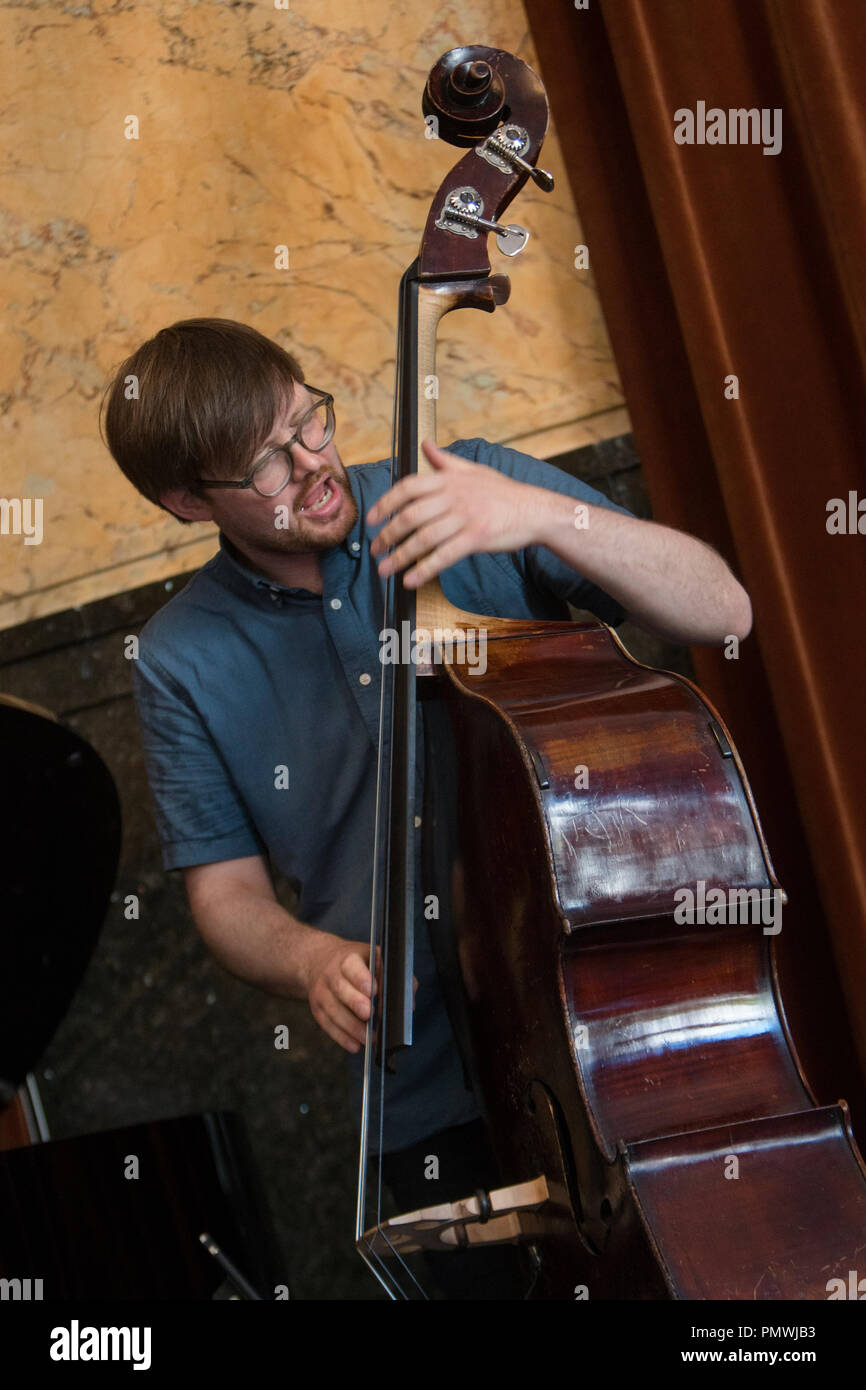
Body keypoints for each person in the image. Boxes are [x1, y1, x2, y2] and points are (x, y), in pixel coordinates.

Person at [101, 317, 752, 1299]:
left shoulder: (471, 492)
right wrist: (310, 959)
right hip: (420, 1100)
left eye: (306, 423)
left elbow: (720, 610)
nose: (311, 465)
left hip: (617, 1039)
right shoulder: (180, 660)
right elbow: (224, 894)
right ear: (189, 502)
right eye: (265, 469)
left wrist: (540, 516)